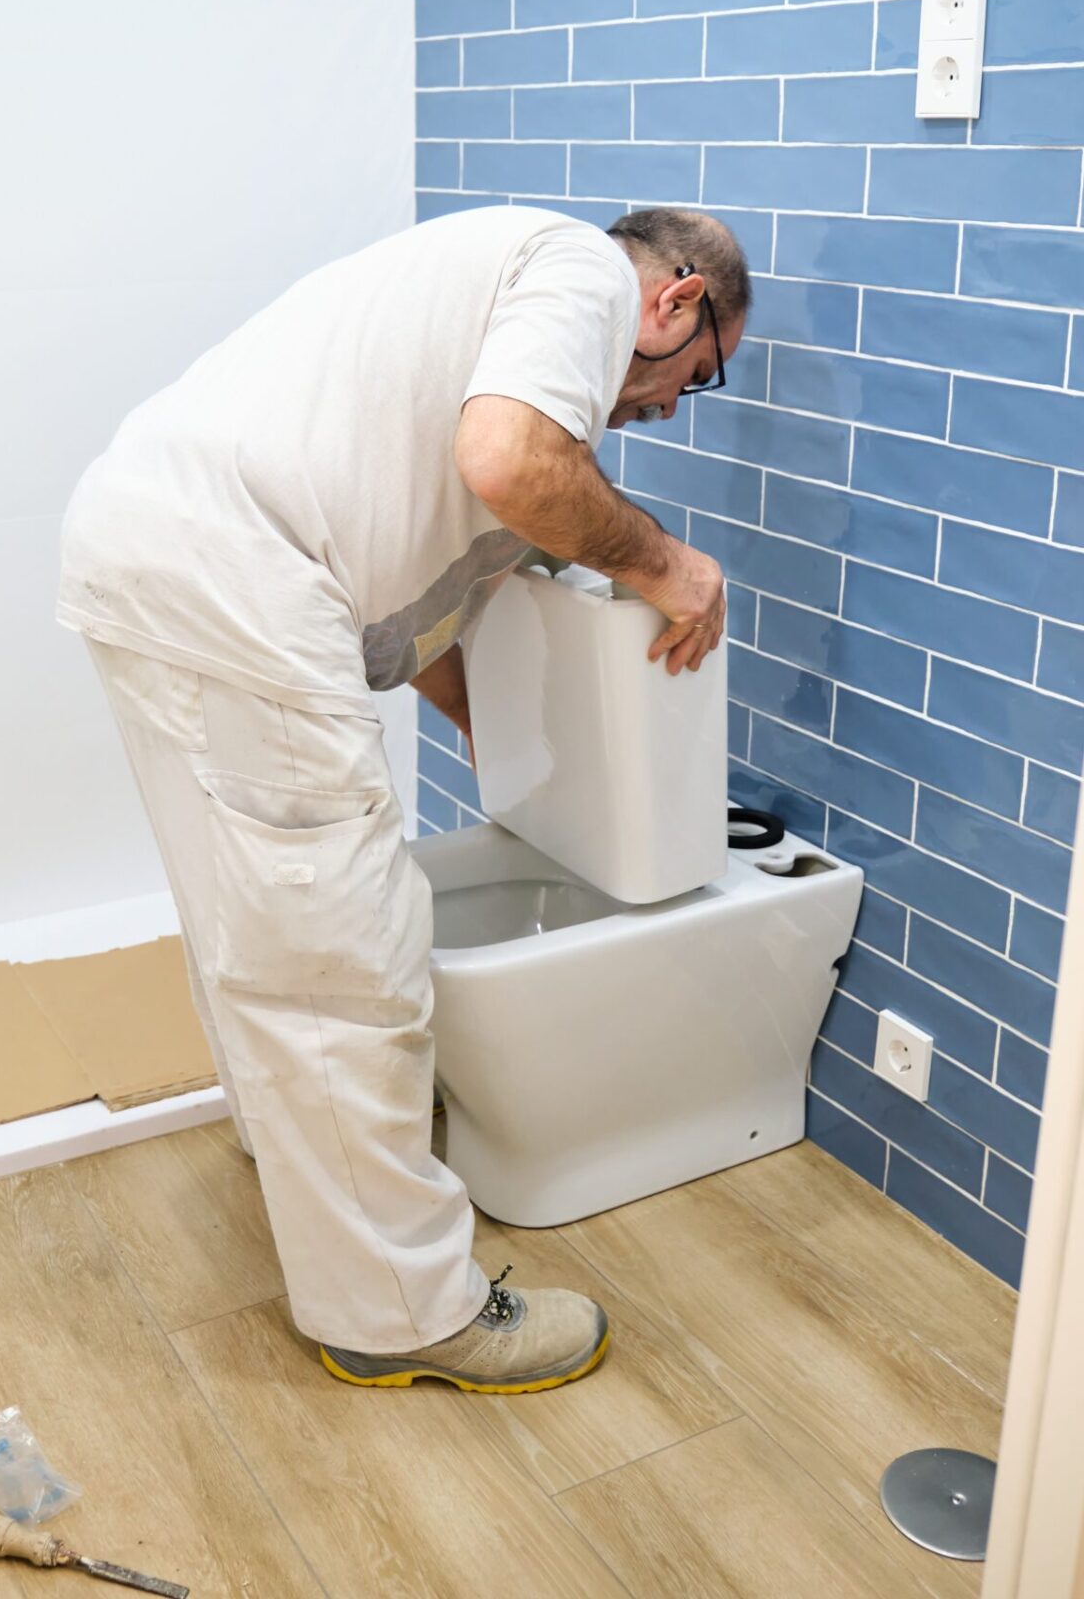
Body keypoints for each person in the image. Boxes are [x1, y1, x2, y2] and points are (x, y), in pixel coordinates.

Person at [56, 204, 749, 1394]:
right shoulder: (582, 275)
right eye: (695, 377)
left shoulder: (486, 304)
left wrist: (505, 731)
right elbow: (510, 468)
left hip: (150, 545)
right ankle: (401, 1307)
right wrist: (666, 565)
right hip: (239, 575)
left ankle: (299, 1156)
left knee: (257, 920)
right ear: (674, 301)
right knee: (345, 953)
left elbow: (431, 564)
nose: (665, 407)